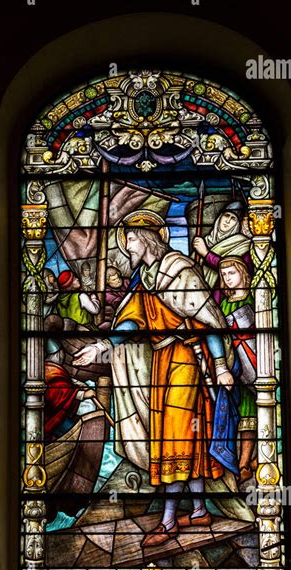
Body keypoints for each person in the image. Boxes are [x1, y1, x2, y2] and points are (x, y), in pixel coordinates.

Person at [73, 210, 242, 548]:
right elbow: (133, 323)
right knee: (183, 439)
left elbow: (209, 320)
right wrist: (103, 347)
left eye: (131, 239)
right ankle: (197, 511)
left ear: (146, 237)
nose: (128, 247)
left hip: (187, 362)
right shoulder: (146, 278)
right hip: (163, 362)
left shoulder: (180, 270)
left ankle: (167, 521)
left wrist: (221, 365)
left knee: (174, 439)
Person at [218, 256, 257, 484]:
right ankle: (242, 463)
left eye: (231, 273)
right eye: (224, 275)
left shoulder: (255, 297)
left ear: (243, 272)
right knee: (243, 418)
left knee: (258, 412)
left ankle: (255, 460)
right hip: (236, 368)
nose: (227, 278)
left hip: (257, 363)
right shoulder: (224, 304)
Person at [192, 201, 251, 298]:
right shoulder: (206, 242)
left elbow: (239, 269)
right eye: (226, 215)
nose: (227, 221)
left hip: (222, 297)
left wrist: (206, 254)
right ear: (220, 217)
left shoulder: (243, 245)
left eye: (233, 219)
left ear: (237, 224)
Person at [44, 339, 96, 440]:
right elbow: (56, 392)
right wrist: (83, 395)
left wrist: (78, 384)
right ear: (57, 355)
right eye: (60, 353)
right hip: (52, 419)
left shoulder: (49, 368)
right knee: (79, 435)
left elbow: (63, 382)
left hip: (54, 415)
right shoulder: (51, 370)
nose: (62, 356)